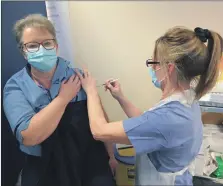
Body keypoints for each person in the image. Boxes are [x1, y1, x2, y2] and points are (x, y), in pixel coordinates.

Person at [75, 27, 223, 186]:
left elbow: (99, 131)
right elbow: (147, 123)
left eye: (153, 63)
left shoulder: (170, 117)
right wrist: (120, 97)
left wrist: (91, 91)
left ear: (170, 68)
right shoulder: (187, 98)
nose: (152, 69)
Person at [3, 14, 117, 186]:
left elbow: (101, 119)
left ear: (56, 46)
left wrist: (112, 156)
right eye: (33, 46)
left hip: (90, 162)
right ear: (23, 52)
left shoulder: (78, 76)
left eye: (47, 43)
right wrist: (63, 98)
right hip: (45, 165)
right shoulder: (15, 87)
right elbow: (29, 137)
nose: (41, 50)